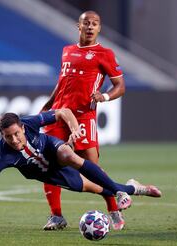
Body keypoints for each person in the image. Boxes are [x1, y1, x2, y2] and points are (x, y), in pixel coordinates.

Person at [0, 109, 161, 229]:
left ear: (21, 127)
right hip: (52, 174)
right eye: (8, 137)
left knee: (69, 155)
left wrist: (75, 131)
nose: (15, 139)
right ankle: (134, 188)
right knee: (99, 188)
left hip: (54, 150)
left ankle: (120, 191)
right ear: (2, 136)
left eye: (17, 133)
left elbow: (63, 112)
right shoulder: (2, 155)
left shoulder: (29, 122)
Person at [40, 10, 126, 230]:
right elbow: (61, 81)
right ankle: (56, 216)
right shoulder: (67, 51)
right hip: (59, 115)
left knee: (91, 168)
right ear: (78, 26)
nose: (90, 26)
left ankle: (113, 208)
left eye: (95, 23)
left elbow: (120, 86)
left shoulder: (104, 54)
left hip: (84, 117)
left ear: (99, 28)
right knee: (49, 165)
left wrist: (104, 96)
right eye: (86, 23)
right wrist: (49, 104)